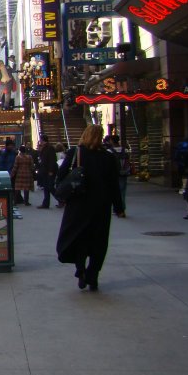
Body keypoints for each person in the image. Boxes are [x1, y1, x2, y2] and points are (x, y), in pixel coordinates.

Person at [55, 124, 124, 291]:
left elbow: (61, 177)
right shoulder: (108, 158)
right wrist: (119, 207)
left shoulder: (75, 153)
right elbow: (114, 185)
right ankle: (93, 274)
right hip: (101, 206)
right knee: (99, 241)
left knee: (79, 238)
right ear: (100, 137)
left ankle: (80, 269)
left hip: (78, 205)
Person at [107, 134, 131, 215]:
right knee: (122, 191)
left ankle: (115, 208)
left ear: (111, 141)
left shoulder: (109, 151)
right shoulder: (125, 150)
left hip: (113, 173)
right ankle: (122, 208)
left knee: (112, 191)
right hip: (124, 173)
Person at [36, 135, 58, 208]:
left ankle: (61, 199)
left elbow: (52, 160)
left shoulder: (49, 148)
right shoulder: (44, 148)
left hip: (49, 170)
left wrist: (51, 170)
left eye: (40, 140)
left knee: (50, 187)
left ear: (43, 140)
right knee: (46, 187)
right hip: (45, 170)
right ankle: (46, 203)